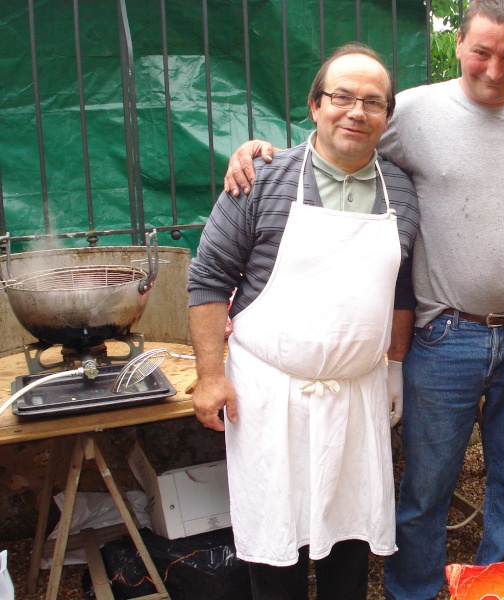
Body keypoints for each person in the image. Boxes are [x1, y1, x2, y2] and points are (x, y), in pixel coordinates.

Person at [223, 1, 504, 597]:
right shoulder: (413, 110)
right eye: (482, 51)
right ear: (458, 45)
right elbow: (338, 139)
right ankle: (413, 592)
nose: (494, 66)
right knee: (426, 487)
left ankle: (502, 588)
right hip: (447, 333)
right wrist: (257, 151)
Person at [187, 43, 419, 600]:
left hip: (356, 397)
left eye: (372, 102)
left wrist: (393, 368)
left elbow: (401, 289)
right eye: (342, 97)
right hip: (270, 397)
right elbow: (208, 278)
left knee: (349, 541)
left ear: (387, 117)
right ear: (315, 105)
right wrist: (211, 376)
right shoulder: (262, 177)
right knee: (277, 543)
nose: (356, 112)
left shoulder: (403, 193)